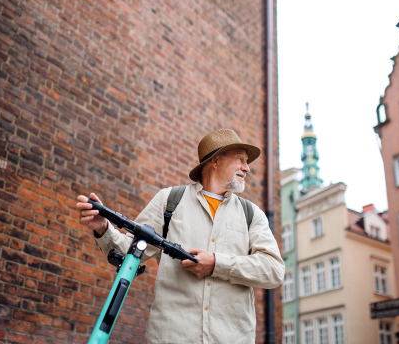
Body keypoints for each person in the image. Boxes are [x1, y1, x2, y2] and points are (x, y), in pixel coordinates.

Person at [77, 128, 284, 344]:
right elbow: (130, 250)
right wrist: (103, 227)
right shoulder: (169, 201)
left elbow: (273, 270)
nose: (247, 168)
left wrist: (216, 264)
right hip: (171, 337)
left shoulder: (251, 214)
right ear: (215, 160)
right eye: (240, 159)